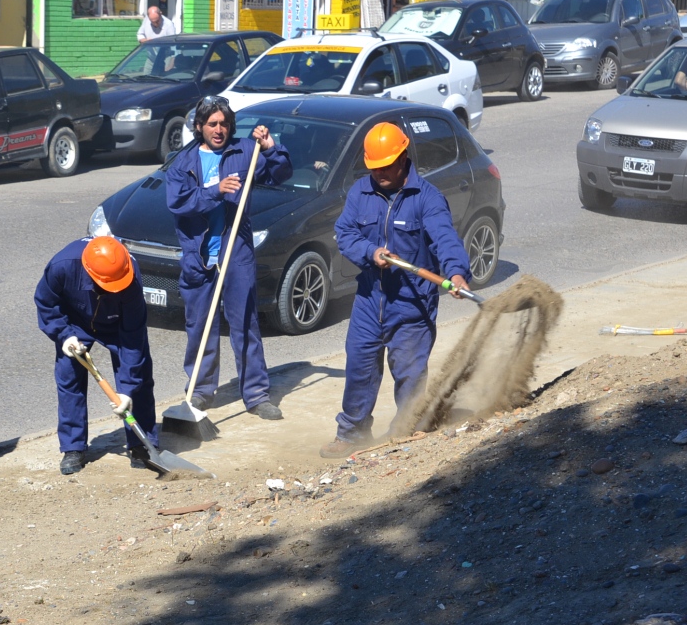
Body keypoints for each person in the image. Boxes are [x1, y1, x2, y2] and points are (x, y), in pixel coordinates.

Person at [320, 123, 472, 459]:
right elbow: (345, 233)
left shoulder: (427, 198)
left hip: (411, 304)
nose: (379, 174)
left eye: (386, 166)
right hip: (370, 299)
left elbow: (445, 239)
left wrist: (457, 272)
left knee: (409, 375)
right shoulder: (361, 193)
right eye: (374, 167)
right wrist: (370, 251)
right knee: (359, 367)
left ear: (403, 158)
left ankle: (406, 434)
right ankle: (352, 434)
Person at [165, 95, 292, 421]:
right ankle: (200, 393)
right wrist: (216, 191)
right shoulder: (183, 162)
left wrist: (270, 148)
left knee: (245, 323)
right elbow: (179, 203)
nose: (219, 130)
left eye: (223, 123)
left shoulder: (244, 152)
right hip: (199, 257)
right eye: (212, 124)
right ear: (199, 126)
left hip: (236, 250)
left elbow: (280, 174)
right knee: (200, 326)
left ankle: (256, 395)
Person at [35, 236, 157, 474]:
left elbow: (133, 339)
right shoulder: (62, 266)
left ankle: (142, 444)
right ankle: (73, 447)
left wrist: (127, 391)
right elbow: (46, 303)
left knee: (139, 378)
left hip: (118, 324)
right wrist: (64, 335)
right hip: (76, 322)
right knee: (69, 379)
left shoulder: (129, 274)